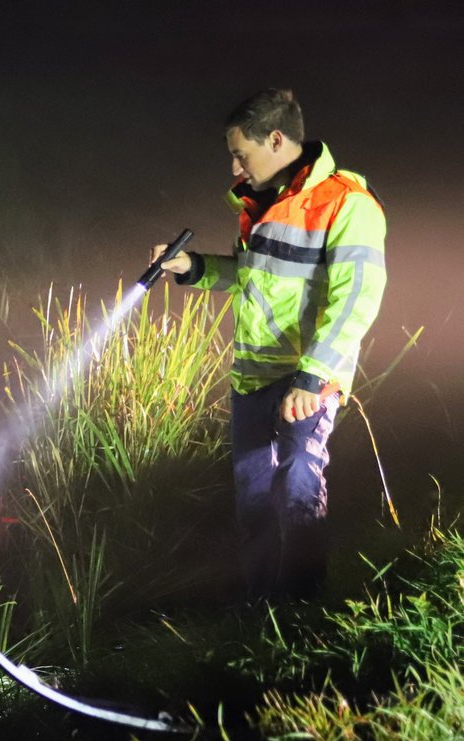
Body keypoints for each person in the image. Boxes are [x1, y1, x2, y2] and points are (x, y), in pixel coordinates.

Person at [154, 88, 386, 601]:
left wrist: (312, 376)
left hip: (307, 379)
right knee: (254, 500)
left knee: (299, 481)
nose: (235, 168)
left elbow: (357, 299)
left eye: (241, 153)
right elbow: (253, 276)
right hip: (252, 379)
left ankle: (304, 608)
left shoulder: (348, 204)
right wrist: (194, 269)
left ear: (276, 139)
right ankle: (262, 611)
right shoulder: (263, 205)